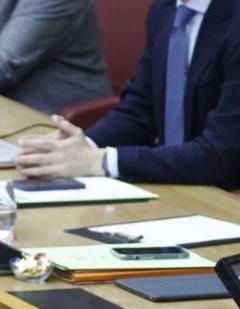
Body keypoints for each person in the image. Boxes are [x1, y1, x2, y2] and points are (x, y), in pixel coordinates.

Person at [14, 0, 240, 189]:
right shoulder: (165, 9)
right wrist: (82, 147)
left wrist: (103, 161)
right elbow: (140, 109)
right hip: (179, 185)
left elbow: (223, 154)